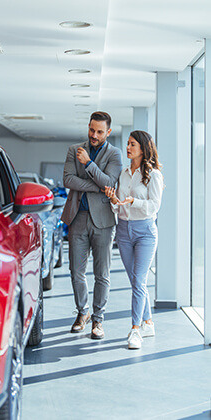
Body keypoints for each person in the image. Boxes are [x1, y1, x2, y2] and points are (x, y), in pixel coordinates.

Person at [61, 111, 123, 339]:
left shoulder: (114, 154)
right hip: (77, 217)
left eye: (99, 131)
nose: (94, 135)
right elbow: (67, 180)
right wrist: (97, 186)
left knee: (102, 274)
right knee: (76, 272)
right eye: (91, 129)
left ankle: (98, 319)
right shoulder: (73, 149)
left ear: (108, 132)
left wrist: (88, 164)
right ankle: (82, 312)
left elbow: (110, 182)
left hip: (104, 221)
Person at [105, 130, 163, 349]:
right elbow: (118, 205)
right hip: (123, 231)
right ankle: (148, 322)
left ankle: (135, 330)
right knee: (135, 282)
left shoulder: (153, 174)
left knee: (139, 281)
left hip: (145, 232)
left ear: (143, 148)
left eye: (132, 145)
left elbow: (154, 206)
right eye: (128, 144)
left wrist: (134, 202)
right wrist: (114, 200)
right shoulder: (124, 173)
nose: (128, 148)